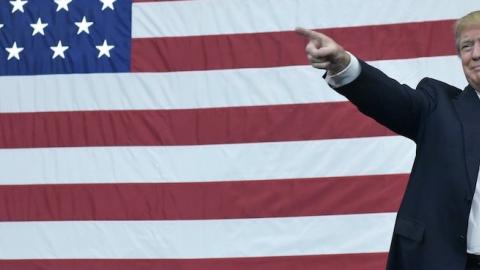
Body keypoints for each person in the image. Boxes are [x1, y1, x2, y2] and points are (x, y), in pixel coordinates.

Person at [296, 10, 480, 270]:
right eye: (466, 46)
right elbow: (392, 99)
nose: (475, 54)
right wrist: (342, 64)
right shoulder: (438, 107)